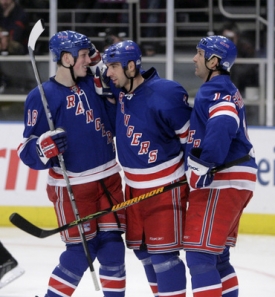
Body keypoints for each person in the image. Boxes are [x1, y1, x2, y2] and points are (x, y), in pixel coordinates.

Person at [17, 31, 126, 297]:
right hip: (72, 187)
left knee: (113, 249)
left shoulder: (94, 83)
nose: (88, 61)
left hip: (109, 178)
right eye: (83, 56)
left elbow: (117, 122)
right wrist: (42, 148)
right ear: (66, 58)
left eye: (89, 55)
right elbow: (25, 148)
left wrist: (110, 96)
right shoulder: (42, 96)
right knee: (80, 252)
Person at [101, 40, 192, 297]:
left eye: (114, 66)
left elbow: (191, 140)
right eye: (108, 67)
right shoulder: (120, 89)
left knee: (164, 256)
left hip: (165, 187)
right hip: (133, 188)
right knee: (144, 253)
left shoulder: (166, 93)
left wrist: (191, 176)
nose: (109, 73)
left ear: (132, 66)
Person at [184, 35, 258, 297]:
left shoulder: (214, 89)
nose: (194, 58)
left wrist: (205, 164)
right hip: (235, 176)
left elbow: (224, 122)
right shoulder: (225, 87)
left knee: (199, 256)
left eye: (199, 54)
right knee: (217, 258)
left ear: (214, 61)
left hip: (224, 177)